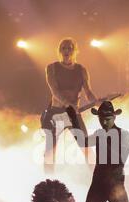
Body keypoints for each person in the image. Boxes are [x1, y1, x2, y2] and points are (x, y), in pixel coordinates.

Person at [44, 37, 97, 173]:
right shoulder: (52, 68)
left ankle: (98, 178)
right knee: (51, 149)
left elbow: (88, 91)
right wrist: (68, 104)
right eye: (63, 48)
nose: (66, 50)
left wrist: (97, 103)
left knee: (85, 146)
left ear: (75, 51)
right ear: (59, 51)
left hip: (74, 115)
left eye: (69, 48)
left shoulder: (81, 70)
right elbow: (55, 91)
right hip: (56, 113)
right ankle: (47, 181)